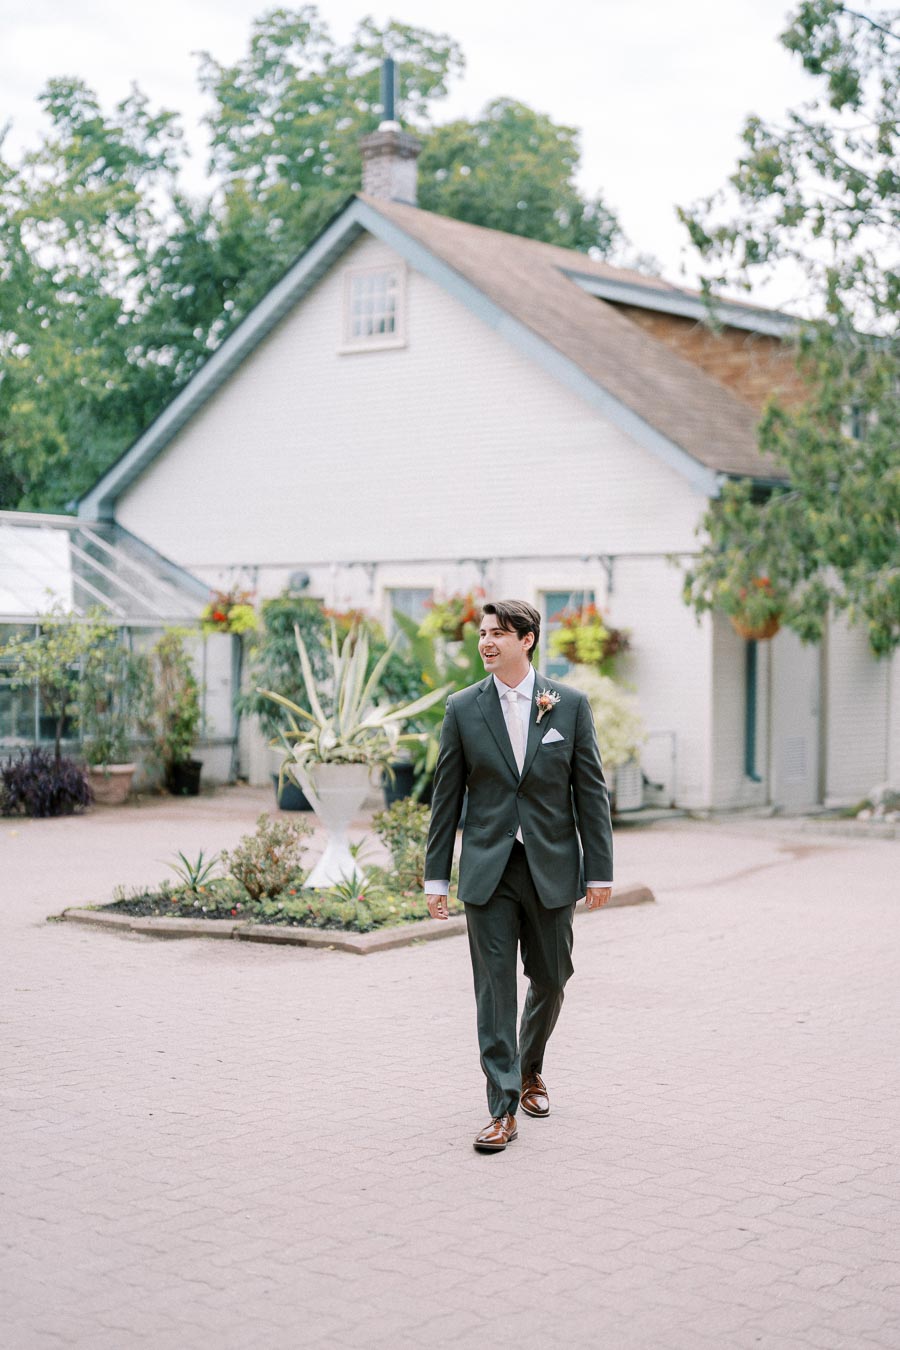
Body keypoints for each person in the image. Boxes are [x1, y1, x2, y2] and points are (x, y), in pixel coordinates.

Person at [424, 599, 614, 1152]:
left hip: (551, 866)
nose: (486, 642)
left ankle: (531, 1067)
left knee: (552, 978)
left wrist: (599, 870)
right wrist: (437, 877)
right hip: (487, 871)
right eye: (482, 633)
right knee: (494, 990)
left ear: (527, 640)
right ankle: (502, 1106)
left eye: (498, 633)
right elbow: (446, 798)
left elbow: (591, 795)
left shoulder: (570, 706)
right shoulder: (462, 709)